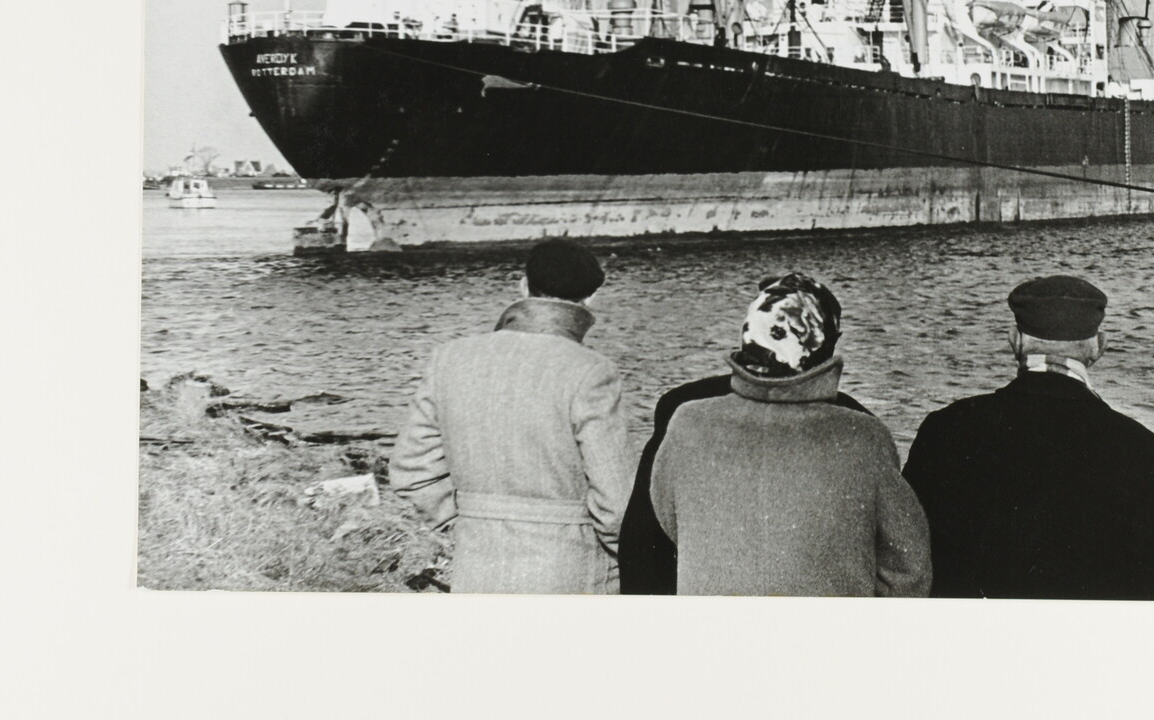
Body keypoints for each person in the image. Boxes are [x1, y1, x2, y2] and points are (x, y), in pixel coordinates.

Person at [901, 274, 1154, 600]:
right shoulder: (1139, 447)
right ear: (1099, 346)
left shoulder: (945, 429)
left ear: (1014, 340)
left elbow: (901, 554)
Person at [646, 275, 931, 597]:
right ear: (829, 344)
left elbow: (669, 521)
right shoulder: (863, 435)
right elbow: (908, 567)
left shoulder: (687, 421)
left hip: (715, 635)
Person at [385, 238, 633, 593]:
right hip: (570, 570)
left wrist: (469, 522)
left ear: (522, 285)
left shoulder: (449, 358)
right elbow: (617, 502)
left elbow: (412, 472)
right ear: (592, 298)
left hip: (476, 566)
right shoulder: (592, 371)